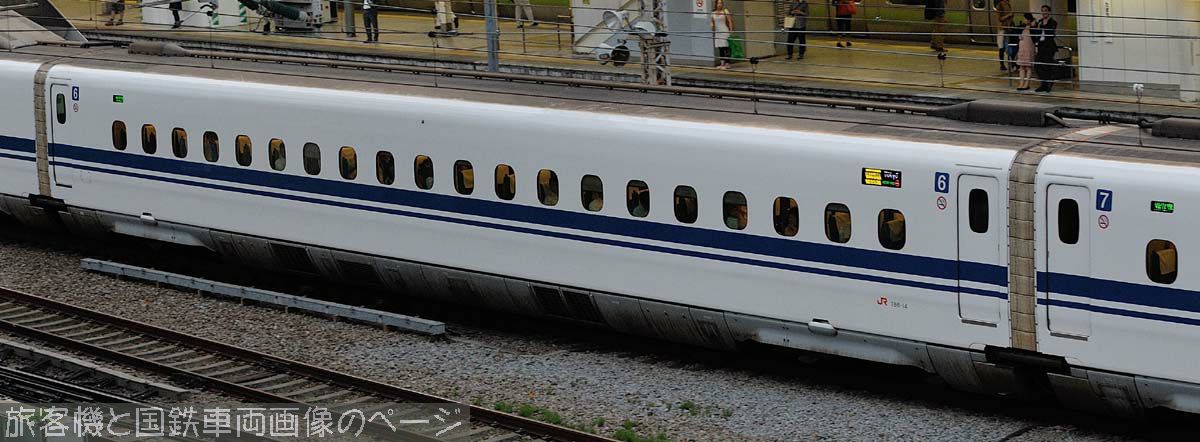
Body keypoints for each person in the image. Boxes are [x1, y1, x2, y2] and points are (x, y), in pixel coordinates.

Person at [1032, 4, 1058, 93]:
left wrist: (1041, 27)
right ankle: (1043, 84)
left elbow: (1050, 33)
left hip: (1049, 47)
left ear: (1049, 12)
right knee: (1038, 65)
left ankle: (1048, 84)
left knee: (1047, 66)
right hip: (1041, 46)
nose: (1044, 12)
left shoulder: (1053, 22)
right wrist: (1035, 27)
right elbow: (1036, 34)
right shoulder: (1039, 22)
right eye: (1042, 11)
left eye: (1045, 10)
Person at [711, 0, 733, 69]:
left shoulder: (725, 11)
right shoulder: (713, 13)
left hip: (724, 31)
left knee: (726, 47)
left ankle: (728, 63)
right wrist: (712, 26)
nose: (719, 4)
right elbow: (712, 22)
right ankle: (722, 63)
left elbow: (730, 21)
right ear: (716, 4)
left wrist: (731, 31)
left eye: (721, 3)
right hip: (718, 32)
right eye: (718, 3)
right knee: (720, 48)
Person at [1015, 13, 1035, 91]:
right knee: (1021, 66)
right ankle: (1021, 83)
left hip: (1029, 48)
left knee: (1028, 67)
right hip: (1022, 48)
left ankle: (1027, 83)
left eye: (1025, 19)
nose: (1024, 20)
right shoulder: (1022, 27)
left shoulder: (1033, 28)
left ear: (1029, 20)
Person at [995, 0, 1013, 70]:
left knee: (1009, 46)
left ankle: (1012, 63)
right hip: (1002, 29)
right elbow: (999, 18)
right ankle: (1002, 64)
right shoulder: (999, 6)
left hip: (1009, 28)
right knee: (1001, 48)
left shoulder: (1008, 4)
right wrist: (1009, 15)